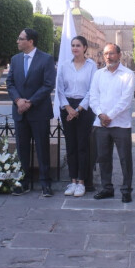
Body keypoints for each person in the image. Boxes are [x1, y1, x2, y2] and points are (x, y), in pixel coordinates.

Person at [6, 28, 57, 197]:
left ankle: (45, 183)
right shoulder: (15, 59)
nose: (17, 41)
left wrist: (30, 102)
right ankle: (24, 181)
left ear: (30, 41)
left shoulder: (46, 59)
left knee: (42, 148)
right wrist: (18, 100)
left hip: (39, 112)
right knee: (22, 148)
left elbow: (48, 84)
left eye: (21, 39)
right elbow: (10, 83)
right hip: (20, 111)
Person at [90, 43, 135, 203]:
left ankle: (126, 190)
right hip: (101, 124)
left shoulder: (128, 75)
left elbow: (126, 100)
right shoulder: (98, 75)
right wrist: (101, 115)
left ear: (119, 54)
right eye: (105, 54)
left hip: (121, 125)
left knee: (125, 159)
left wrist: (109, 116)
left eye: (111, 53)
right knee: (103, 158)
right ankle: (106, 188)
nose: (108, 57)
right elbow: (93, 97)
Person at [56, 36, 97, 198]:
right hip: (67, 107)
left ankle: (82, 181)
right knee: (71, 145)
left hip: (84, 109)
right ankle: (72, 180)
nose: (75, 48)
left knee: (83, 146)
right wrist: (68, 108)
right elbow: (59, 88)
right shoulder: (64, 66)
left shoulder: (91, 66)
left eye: (78, 45)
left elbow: (92, 89)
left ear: (85, 48)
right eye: (73, 45)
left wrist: (78, 109)